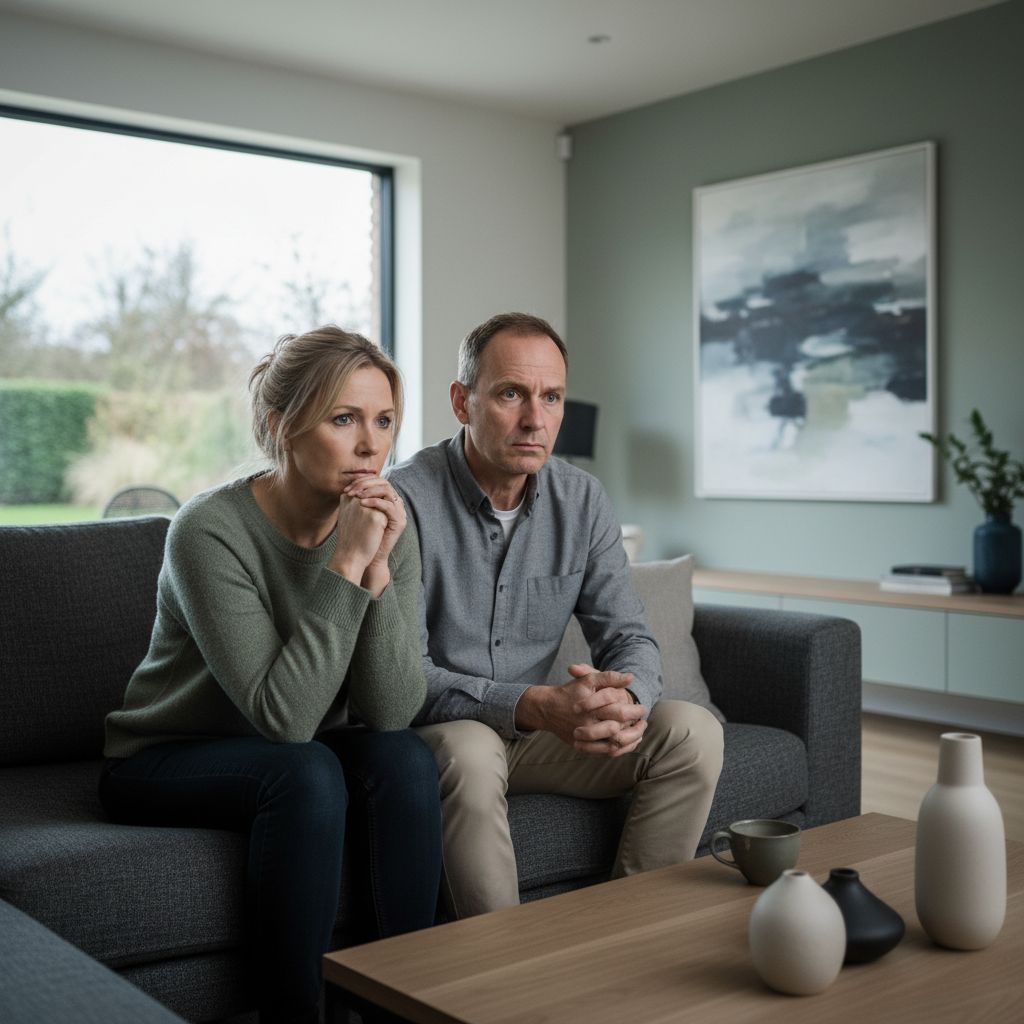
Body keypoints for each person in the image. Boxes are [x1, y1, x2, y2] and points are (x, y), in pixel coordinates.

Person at [99, 326, 442, 1024]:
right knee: (306, 770)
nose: (372, 445)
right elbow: (283, 720)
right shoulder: (208, 530)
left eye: (383, 422)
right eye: (343, 420)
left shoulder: (385, 522)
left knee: (405, 759)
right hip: (167, 757)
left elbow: (393, 709)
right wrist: (345, 566)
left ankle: (405, 1006)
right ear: (280, 425)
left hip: (296, 746)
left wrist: (378, 568)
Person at [388, 312, 724, 919]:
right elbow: (404, 677)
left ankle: (628, 936)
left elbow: (629, 635)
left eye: (551, 397)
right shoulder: (406, 500)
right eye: (511, 393)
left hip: (544, 739)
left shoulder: (583, 499)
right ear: (462, 401)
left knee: (691, 732)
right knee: (468, 750)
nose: (534, 420)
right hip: (446, 735)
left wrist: (628, 702)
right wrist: (534, 705)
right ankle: (503, 973)